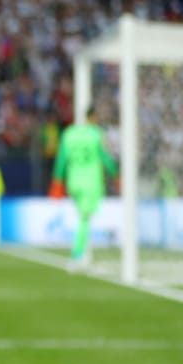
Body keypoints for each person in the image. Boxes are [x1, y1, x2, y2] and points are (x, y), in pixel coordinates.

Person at [51, 105, 118, 270]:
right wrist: (116, 174)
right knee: (85, 219)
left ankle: (80, 253)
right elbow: (105, 157)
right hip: (91, 182)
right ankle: (76, 255)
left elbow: (62, 158)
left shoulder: (69, 134)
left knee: (83, 217)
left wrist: (57, 181)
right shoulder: (96, 134)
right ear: (93, 118)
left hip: (74, 182)